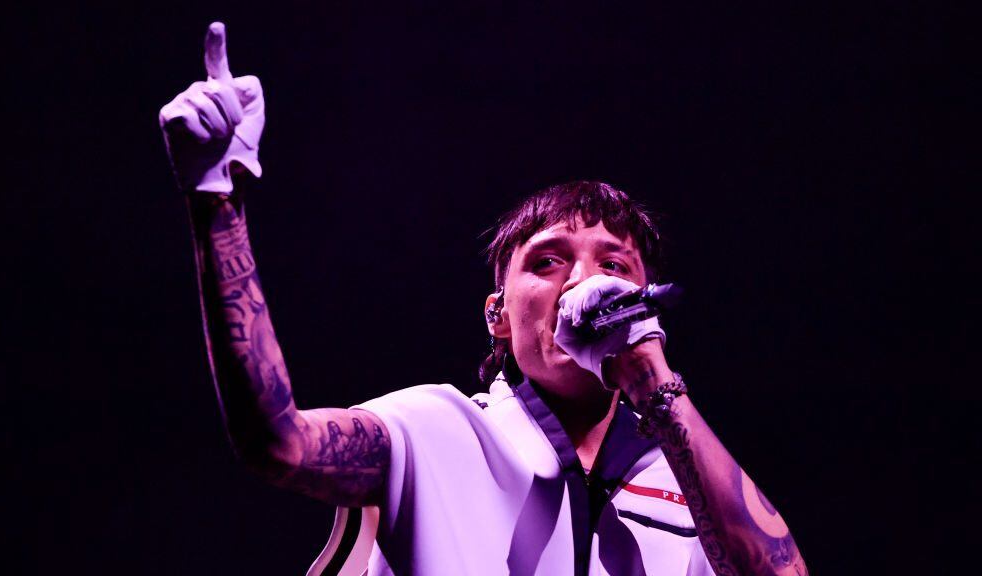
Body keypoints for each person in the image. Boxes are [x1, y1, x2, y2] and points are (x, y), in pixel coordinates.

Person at [160, 22, 808, 576]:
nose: (585, 281)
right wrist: (217, 202)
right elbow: (277, 441)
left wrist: (654, 383)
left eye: (614, 264)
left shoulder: (687, 485)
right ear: (497, 315)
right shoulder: (435, 430)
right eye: (549, 262)